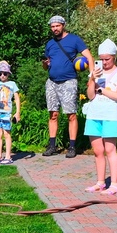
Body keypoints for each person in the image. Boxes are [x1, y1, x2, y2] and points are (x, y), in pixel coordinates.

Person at [83, 39, 117, 196]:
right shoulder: (96, 72)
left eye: (107, 59)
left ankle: (115, 184)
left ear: (114, 57)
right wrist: (92, 79)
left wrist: (101, 90)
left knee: (110, 149)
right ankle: (100, 182)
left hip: (110, 116)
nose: (104, 62)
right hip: (94, 114)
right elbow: (90, 96)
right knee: (98, 151)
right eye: (101, 59)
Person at [42, 16, 92, 159]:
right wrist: (45, 64)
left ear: (63, 25)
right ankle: (52, 146)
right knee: (53, 114)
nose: (55, 29)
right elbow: (46, 66)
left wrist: (91, 77)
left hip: (69, 81)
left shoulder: (74, 40)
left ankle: (72, 147)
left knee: (71, 114)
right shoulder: (50, 44)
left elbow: (89, 57)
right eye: (52, 27)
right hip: (52, 82)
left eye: (57, 26)